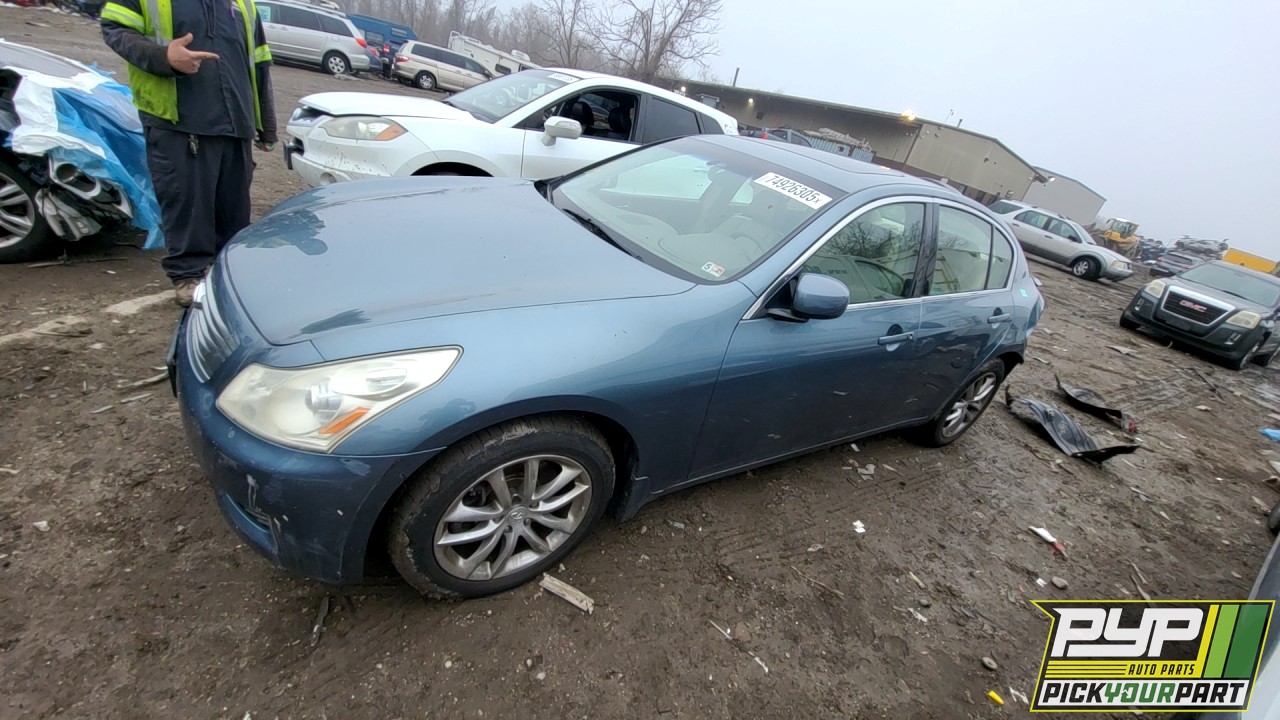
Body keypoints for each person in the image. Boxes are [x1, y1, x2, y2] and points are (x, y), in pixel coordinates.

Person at [100, 0, 277, 307]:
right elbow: (114, 28)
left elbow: (259, 62)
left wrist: (267, 125)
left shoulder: (243, 5)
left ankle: (231, 275)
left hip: (235, 121)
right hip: (179, 119)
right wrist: (163, 56)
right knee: (187, 203)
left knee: (234, 209)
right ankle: (189, 276)